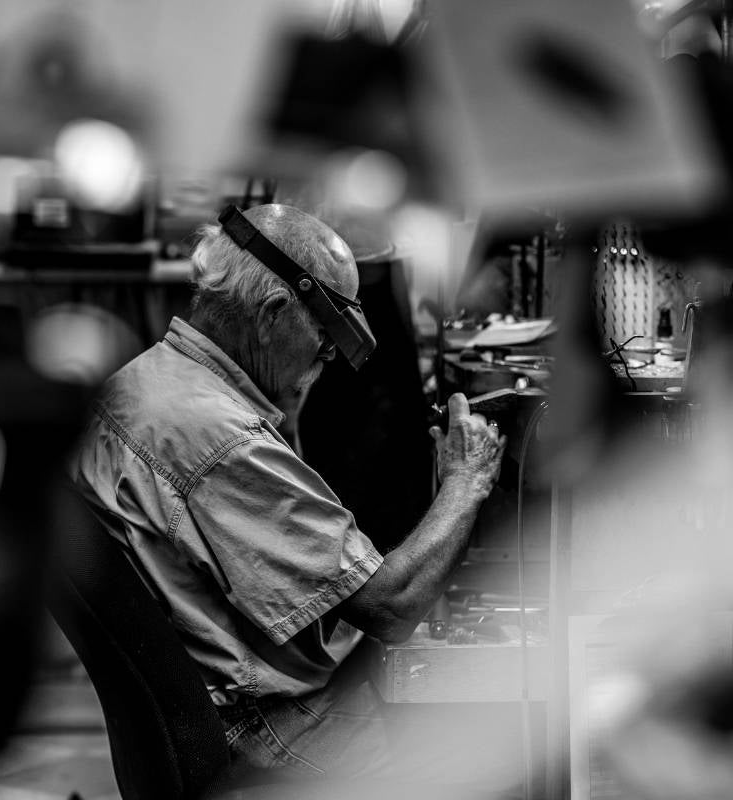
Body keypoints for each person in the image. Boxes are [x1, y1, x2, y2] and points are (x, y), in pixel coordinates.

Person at [70, 203, 507, 784]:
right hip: (270, 727)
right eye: (324, 340)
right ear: (275, 313)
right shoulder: (220, 439)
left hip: (217, 703)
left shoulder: (147, 382)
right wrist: (467, 479)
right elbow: (392, 605)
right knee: (503, 753)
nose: (325, 360)